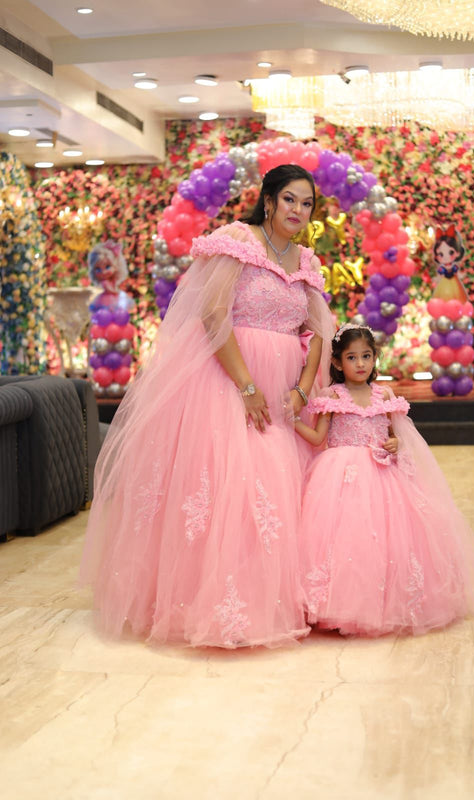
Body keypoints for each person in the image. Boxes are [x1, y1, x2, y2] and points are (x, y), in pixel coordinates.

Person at [80, 164, 335, 648]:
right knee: (236, 485)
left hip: (285, 388)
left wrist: (303, 387)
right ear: (269, 200)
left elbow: (317, 330)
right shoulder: (237, 239)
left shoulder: (306, 261)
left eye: (307, 204)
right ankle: (224, 603)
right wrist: (246, 386)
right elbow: (213, 311)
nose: (298, 211)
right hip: (227, 379)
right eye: (290, 200)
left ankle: (285, 596)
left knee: (281, 488)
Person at [294, 323, 474, 636]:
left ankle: (383, 601)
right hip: (340, 475)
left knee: (386, 537)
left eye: (367, 356)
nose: (360, 364)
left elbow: (395, 434)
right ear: (337, 362)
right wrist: (291, 422)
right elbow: (318, 437)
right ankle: (336, 603)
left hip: (381, 473)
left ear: (376, 359)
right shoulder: (332, 395)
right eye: (352, 358)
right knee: (346, 538)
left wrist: (396, 444)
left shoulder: (383, 395)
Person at [432, 225, 468, 304]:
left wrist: (461, 275)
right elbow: (439, 275)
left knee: (458, 298)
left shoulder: (454, 267)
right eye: (441, 254)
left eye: (451, 252)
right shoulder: (442, 269)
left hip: (455, 283)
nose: (446, 258)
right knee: (442, 299)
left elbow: (457, 273)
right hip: (443, 283)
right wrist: (437, 279)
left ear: (458, 253)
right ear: (436, 255)